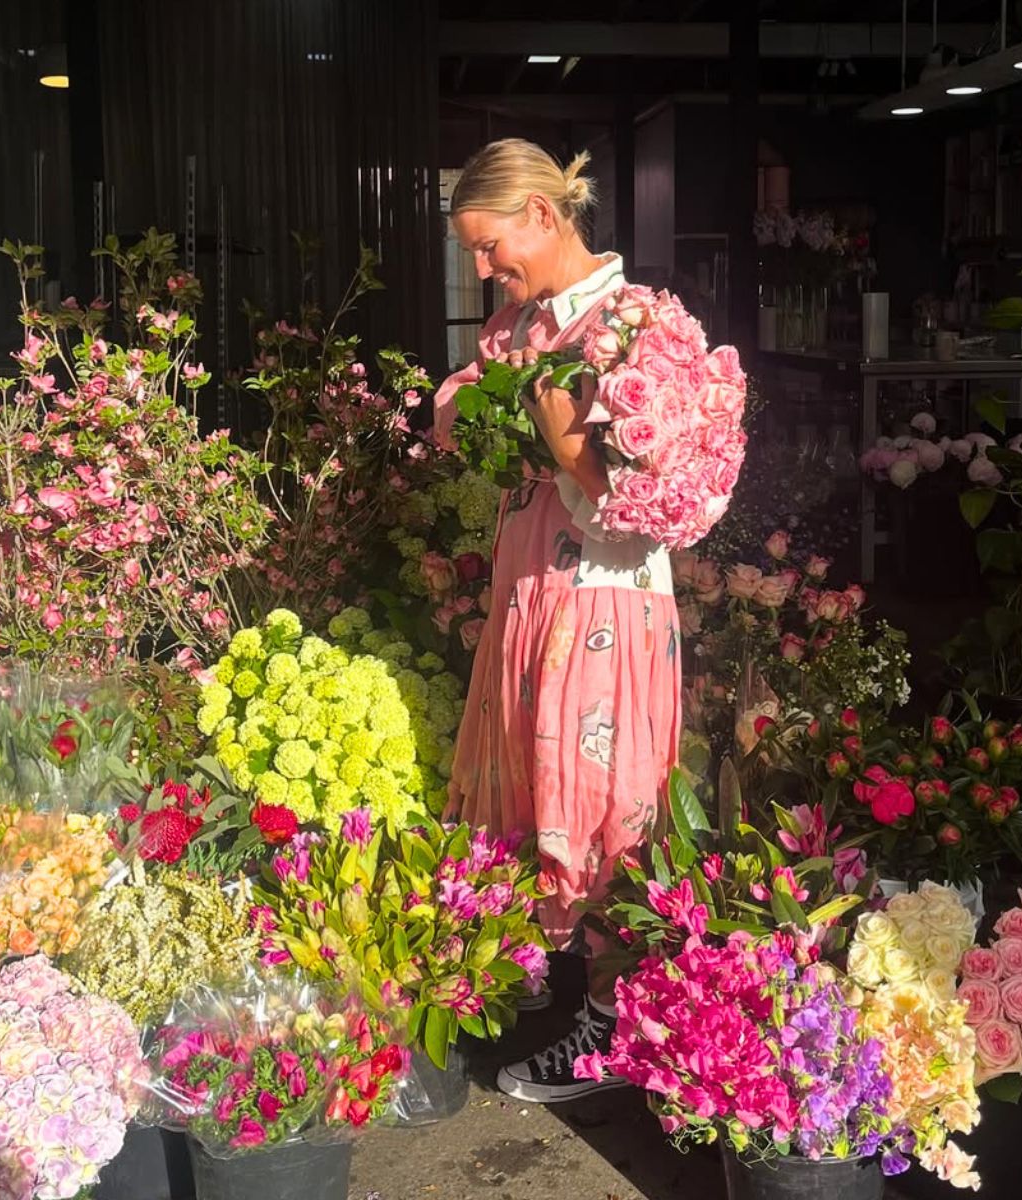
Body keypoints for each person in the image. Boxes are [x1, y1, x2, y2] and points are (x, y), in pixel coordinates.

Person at [434, 139, 682, 1104]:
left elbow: (654, 500)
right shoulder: (523, 325)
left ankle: (611, 1029)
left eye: (491, 246)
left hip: (605, 599)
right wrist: (468, 406)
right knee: (534, 790)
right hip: (530, 592)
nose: (487, 269)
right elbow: (470, 397)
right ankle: (563, 983)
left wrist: (564, 443)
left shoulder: (637, 327)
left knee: (599, 800)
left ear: (542, 212)